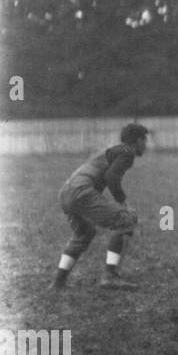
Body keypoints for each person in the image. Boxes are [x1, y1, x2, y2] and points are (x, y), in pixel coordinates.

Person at [52, 123, 149, 290]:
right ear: (138, 140)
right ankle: (110, 276)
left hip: (66, 192)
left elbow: (101, 175)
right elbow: (111, 177)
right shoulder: (127, 153)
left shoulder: (112, 150)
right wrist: (122, 202)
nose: (146, 145)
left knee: (84, 233)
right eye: (144, 140)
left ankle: (58, 283)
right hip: (81, 191)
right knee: (127, 220)